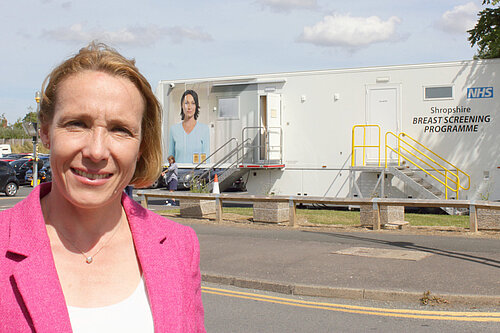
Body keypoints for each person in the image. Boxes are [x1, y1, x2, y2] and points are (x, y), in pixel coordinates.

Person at [0, 42, 205, 332]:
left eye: (120, 129)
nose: (96, 152)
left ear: (141, 145)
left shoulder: (179, 247)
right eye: (77, 124)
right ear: (45, 131)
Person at [168, 90, 210, 164]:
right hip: (178, 174)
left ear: (196, 106)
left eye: (193, 103)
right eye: (186, 103)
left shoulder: (204, 129)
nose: (189, 107)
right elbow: (170, 158)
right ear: (182, 105)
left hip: (198, 174)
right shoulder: (174, 130)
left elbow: (207, 160)